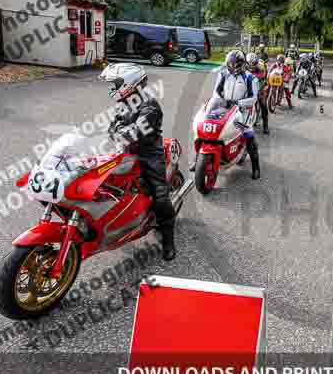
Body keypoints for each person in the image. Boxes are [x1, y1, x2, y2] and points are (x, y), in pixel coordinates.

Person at [101, 63, 177, 261]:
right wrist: (118, 132)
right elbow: (112, 129)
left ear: (129, 83)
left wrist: (120, 132)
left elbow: (136, 133)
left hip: (149, 154)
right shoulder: (123, 102)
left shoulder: (149, 105)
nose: (113, 87)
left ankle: (168, 240)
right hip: (125, 152)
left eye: (116, 83)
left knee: (160, 196)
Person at [193, 50, 261, 180]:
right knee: (208, 127)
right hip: (225, 107)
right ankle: (197, 159)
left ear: (241, 64)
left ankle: (256, 167)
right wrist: (219, 101)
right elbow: (217, 91)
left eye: (234, 65)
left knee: (248, 134)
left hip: (244, 110)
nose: (231, 67)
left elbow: (253, 98)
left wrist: (238, 102)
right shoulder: (223, 74)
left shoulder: (250, 78)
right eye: (229, 64)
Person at [248, 53, 270, 134]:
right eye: (249, 64)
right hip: (249, 87)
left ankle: (265, 126)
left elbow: (261, 79)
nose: (251, 66)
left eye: (252, 64)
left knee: (263, 105)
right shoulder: (244, 67)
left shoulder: (260, 67)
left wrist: (260, 91)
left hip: (260, 85)